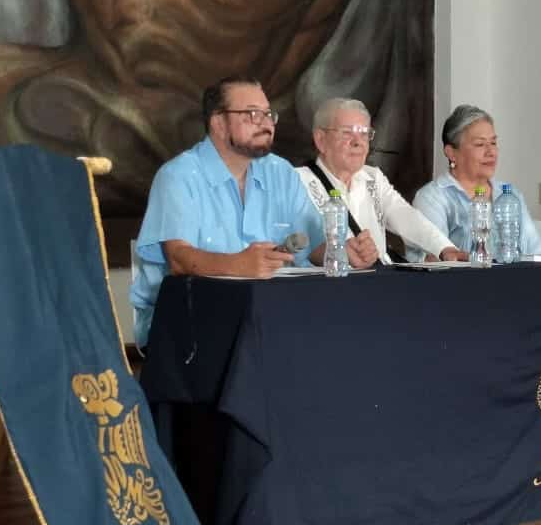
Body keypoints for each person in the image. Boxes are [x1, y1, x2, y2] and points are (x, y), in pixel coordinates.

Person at [130, 77, 371, 346]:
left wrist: (342, 251)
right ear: (218, 122)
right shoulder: (179, 176)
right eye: (253, 114)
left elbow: (313, 247)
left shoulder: (280, 173)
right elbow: (179, 259)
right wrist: (238, 264)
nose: (266, 123)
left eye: (269, 114)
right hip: (189, 324)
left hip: (268, 318)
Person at [296, 99, 465, 264]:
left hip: (378, 282)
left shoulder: (372, 178)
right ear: (321, 140)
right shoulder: (298, 182)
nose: (358, 142)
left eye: (364, 133)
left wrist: (444, 248)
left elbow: (405, 216)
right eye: (347, 132)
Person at [412, 104, 541, 259]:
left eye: (493, 143)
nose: (491, 152)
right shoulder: (432, 197)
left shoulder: (509, 194)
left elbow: (538, 249)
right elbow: (433, 260)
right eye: (480, 144)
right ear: (451, 153)